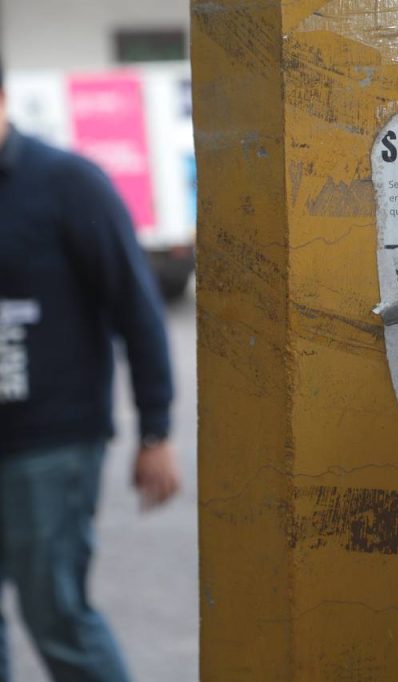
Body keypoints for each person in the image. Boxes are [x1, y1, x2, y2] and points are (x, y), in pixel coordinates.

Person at [0, 62, 181, 681]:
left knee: (55, 613)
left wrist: (155, 432)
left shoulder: (68, 184)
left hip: (50, 444)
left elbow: (137, 308)